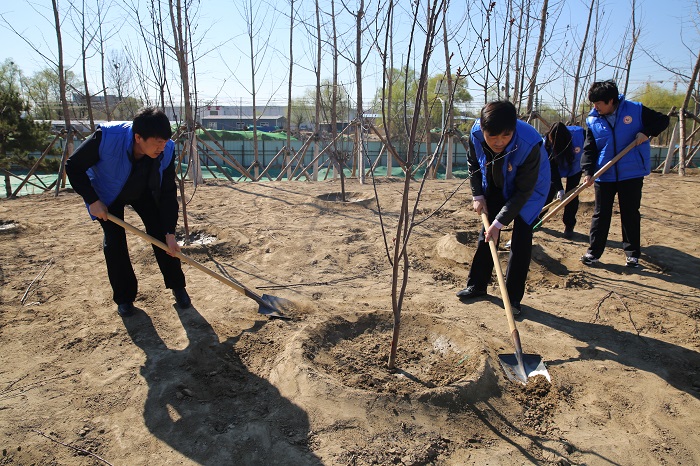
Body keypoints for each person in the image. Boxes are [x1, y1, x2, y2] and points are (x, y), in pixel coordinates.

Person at [66, 107, 191, 317]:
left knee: (162, 235)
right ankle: (124, 298)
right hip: (108, 194)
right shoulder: (107, 137)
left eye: (165, 141)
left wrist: (170, 231)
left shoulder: (167, 149)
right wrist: (92, 200)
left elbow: (168, 192)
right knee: (115, 242)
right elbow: (73, 166)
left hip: (144, 191)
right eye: (157, 142)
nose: (162, 147)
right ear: (138, 137)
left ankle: (178, 286)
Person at [456, 101, 551, 314]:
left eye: (506, 136)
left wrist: (500, 223)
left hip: (530, 189)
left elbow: (523, 191)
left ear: (513, 129)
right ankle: (477, 285)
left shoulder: (529, 143)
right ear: (483, 129)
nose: (499, 142)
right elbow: (473, 163)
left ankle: (512, 298)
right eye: (493, 137)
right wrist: (477, 194)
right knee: (487, 233)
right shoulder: (475, 134)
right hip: (498, 180)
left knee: (521, 238)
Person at [580, 80, 669, 268]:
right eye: (593, 104)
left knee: (630, 213)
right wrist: (588, 172)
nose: (595, 107)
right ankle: (593, 252)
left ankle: (632, 254)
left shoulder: (635, 110)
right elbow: (589, 149)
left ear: (611, 101)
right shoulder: (593, 119)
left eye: (598, 103)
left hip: (631, 172)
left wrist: (646, 132)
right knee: (600, 214)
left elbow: (663, 120)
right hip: (605, 173)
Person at [543, 122, 584, 239]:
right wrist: (560, 189)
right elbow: (552, 168)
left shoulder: (579, 136)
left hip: (575, 167)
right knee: (548, 193)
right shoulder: (547, 143)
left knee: (572, 195)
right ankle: (537, 218)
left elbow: (591, 150)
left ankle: (569, 226)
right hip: (556, 166)